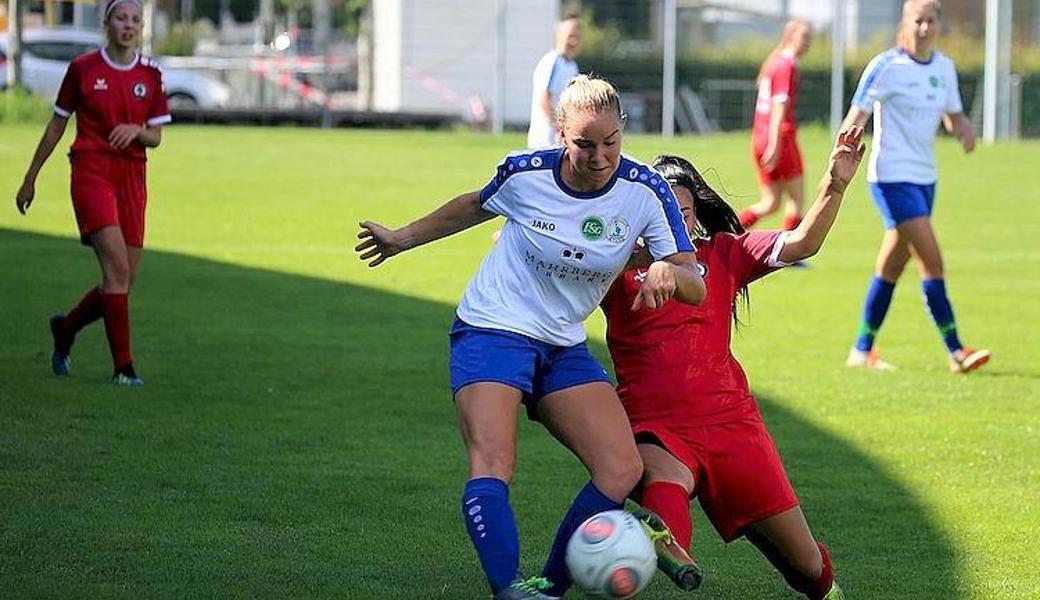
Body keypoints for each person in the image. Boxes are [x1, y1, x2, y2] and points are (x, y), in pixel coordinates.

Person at [356, 75, 705, 600]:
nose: (599, 156)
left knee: (621, 467)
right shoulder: (527, 173)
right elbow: (475, 205)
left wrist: (667, 274)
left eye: (610, 142)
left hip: (562, 344)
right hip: (493, 326)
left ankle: (549, 588)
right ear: (561, 133)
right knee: (495, 461)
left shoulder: (645, 191)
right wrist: (401, 239)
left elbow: (694, 281)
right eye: (585, 143)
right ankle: (508, 590)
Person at [600, 128, 868, 600]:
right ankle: (656, 546)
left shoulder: (725, 254)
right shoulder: (614, 266)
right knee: (664, 480)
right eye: (658, 214)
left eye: (680, 214)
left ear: (695, 216)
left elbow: (803, 243)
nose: (670, 224)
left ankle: (824, 588)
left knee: (806, 567)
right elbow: (557, 283)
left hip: (732, 426)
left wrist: (835, 185)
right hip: (656, 424)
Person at [15, 0, 171, 386]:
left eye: (135, 19)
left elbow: (156, 136)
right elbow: (56, 126)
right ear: (106, 23)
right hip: (91, 171)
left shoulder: (150, 75)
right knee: (116, 271)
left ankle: (65, 329)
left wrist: (136, 130)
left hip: (132, 176)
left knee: (123, 280)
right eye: (121, 17)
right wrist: (30, 177)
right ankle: (124, 368)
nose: (129, 25)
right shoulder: (83, 69)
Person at [842, 0, 990, 373]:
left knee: (891, 267)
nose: (924, 28)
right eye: (917, 21)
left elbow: (952, 113)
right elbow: (858, 112)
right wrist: (843, 150)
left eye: (930, 21)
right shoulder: (886, 65)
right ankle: (956, 350)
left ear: (939, 24)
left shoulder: (944, 67)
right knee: (932, 259)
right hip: (891, 177)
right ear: (906, 23)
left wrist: (964, 128)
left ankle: (861, 350)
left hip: (926, 179)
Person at [738, 20, 813, 233]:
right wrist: (775, 144)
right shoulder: (787, 65)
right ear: (790, 37)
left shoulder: (774, 62)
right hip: (780, 138)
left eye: (810, 39)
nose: (808, 43)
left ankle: (728, 229)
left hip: (760, 138)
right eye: (804, 37)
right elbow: (779, 107)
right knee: (797, 200)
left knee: (770, 203)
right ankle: (791, 253)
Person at [526, 13, 581, 149]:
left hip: (560, 140)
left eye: (577, 36)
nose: (574, 41)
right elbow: (545, 99)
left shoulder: (572, 66)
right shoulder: (553, 62)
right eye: (570, 36)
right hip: (546, 139)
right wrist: (560, 126)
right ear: (559, 35)